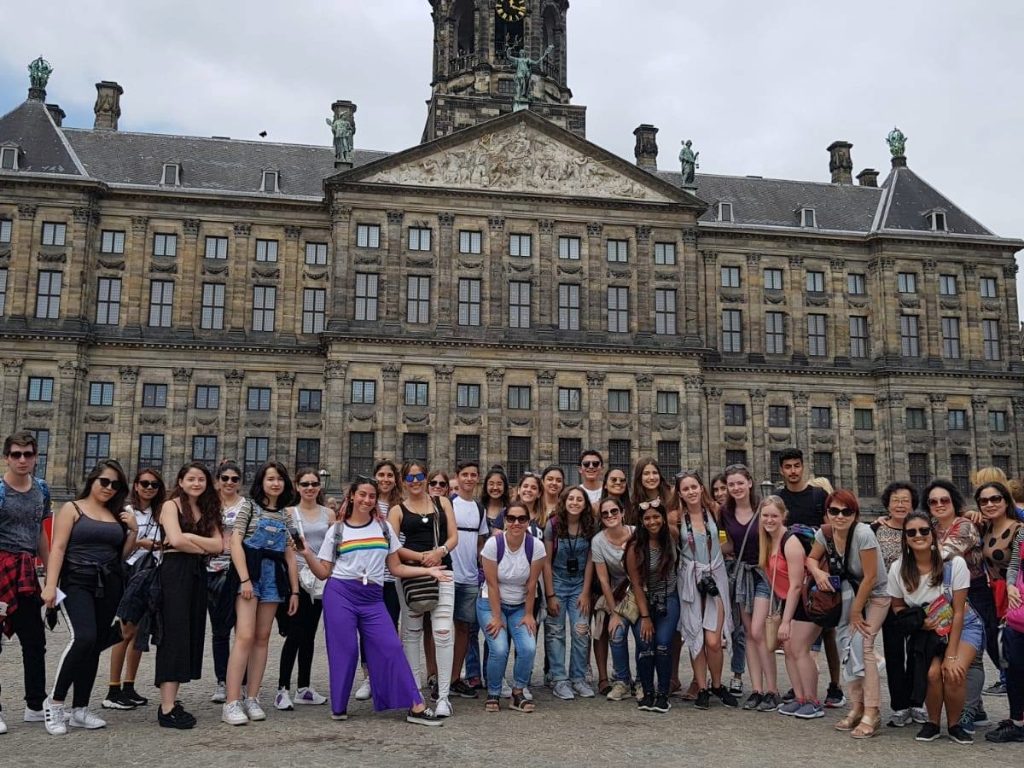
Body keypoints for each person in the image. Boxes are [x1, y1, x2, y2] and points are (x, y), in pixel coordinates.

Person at [299, 476, 445, 725]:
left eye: (372, 496)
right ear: (352, 496)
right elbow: (324, 572)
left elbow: (396, 568)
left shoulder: (384, 528)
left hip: (372, 597)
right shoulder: (338, 530)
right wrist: (306, 553)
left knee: (391, 647)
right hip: (341, 594)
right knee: (346, 651)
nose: (367, 500)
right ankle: (339, 705)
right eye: (362, 494)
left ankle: (416, 706)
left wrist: (428, 570)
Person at [41, 460, 136, 735]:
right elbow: (57, 548)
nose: (108, 487)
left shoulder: (116, 513)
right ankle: (55, 702)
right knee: (83, 637)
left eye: (115, 484)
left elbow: (123, 556)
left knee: (94, 644)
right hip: (77, 582)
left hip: (108, 584)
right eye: (104, 481)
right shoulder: (73, 508)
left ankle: (80, 708)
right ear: (92, 480)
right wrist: (50, 585)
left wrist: (133, 531)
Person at [888, 511, 982, 745]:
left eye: (924, 530)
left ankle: (954, 725)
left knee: (953, 672)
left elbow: (959, 612)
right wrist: (920, 622)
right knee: (931, 674)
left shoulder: (954, 563)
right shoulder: (898, 569)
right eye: (911, 532)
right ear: (905, 538)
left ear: (933, 533)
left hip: (963, 626)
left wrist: (951, 655)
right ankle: (932, 723)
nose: (918, 535)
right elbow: (897, 607)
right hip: (927, 631)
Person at [807, 489, 890, 737]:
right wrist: (818, 573)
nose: (840, 516)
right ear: (827, 513)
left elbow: (871, 576)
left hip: (876, 595)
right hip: (849, 593)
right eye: (834, 511)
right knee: (846, 646)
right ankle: (857, 707)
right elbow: (811, 559)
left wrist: (856, 613)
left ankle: (872, 712)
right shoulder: (826, 533)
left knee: (863, 645)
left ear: (855, 514)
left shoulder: (863, 533)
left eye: (846, 511)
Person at [222, 462, 300, 725]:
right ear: (261, 482)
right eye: (270, 479)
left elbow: (290, 555)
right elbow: (235, 541)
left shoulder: (286, 516)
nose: (275, 483)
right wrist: (244, 578)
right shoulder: (249, 506)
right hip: (250, 573)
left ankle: (252, 697)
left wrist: (295, 591)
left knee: (262, 638)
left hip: (273, 578)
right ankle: (231, 701)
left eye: (279, 478)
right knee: (244, 636)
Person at [155, 462, 223, 728]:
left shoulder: (207, 508)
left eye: (201, 480)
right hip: (174, 573)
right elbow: (175, 539)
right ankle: (167, 707)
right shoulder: (171, 505)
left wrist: (187, 538)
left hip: (196, 573)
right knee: (173, 634)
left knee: (188, 634)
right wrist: (199, 544)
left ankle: (173, 699)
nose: (196, 483)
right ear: (181, 481)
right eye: (191, 479)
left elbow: (219, 545)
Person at [388, 461, 458, 718]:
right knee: (412, 634)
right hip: (413, 576)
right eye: (409, 476)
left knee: (442, 632)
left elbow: (453, 537)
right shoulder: (397, 510)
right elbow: (392, 546)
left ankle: (443, 696)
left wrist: (440, 551)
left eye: (419, 476)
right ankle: (415, 693)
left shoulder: (442, 503)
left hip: (444, 571)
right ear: (403, 480)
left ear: (425, 477)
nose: (415, 480)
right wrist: (422, 559)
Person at [776, 448, 844, 709]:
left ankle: (835, 686)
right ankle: (800, 688)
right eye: (788, 467)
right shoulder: (779, 498)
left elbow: (833, 530)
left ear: (803, 467)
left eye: (796, 465)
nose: (793, 471)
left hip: (819, 573)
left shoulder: (819, 496)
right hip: (792, 575)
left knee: (828, 631)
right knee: (793, 634)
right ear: (781, 470)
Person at [925, 479, 989, 735]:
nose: (939, 505)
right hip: (944, 599)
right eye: (933, 501)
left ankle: (967, 712)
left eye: (944, 500)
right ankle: (975, 707)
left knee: (972, 660)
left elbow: (942, 555)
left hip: (973, 593)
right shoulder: (929, 527)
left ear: (954, 502)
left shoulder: (964, 525)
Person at [0, 431, 52, 734]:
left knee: (35, 642)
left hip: (27, 574)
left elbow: (41, 534)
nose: (22, 459)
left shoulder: (41, 490)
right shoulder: (1, 491)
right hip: (2, 568)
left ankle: (35, 704)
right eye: (16, 454)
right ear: (7, 457)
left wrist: (50, 578)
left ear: (35, 457)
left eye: (28, 454)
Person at [104, 468, 165, 711]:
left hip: (151, 574)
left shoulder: (160, 513)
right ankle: (112, 688)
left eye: (154, 485)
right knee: (124, 631)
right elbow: (121, 552)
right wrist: (139, 539)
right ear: (136, 486)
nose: (149, 488)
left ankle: (129, 685)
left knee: (139, 633)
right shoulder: (126, 512)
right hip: (131, 574)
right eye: (145, 483)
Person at [478, 500, 546, 713]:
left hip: (519, 605)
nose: (516, 523)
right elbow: (491, 583)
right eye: (511, 518)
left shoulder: (535, 545)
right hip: (490, 603)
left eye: (522, 519)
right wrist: (497, 617)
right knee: (499, 648)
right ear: (505, 521)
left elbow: (532, 583)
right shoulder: (493, 544)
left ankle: (518, 691)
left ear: (528, 521)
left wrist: (528, 614)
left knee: (528, 647)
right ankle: (494, 691)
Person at [676, 470, 736, 709]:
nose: (691, 492)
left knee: (713, 640)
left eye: (694, 487)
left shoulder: (716, 512)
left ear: (701, 488)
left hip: (715, 576)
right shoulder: (676, 518)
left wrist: (722, 554)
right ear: (679, 494)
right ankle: (702, 687)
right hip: (690, 579)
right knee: (695, 637)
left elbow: (730, 540)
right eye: (685, 489)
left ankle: (717, 685)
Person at [274, 468, 333, 710]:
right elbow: (286, 549)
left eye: (314, 484)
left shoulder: (329, 513)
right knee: (295, 634)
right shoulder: (288, 513)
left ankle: (304, 687)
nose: (310, 488)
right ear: (297, 487)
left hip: (318, 579)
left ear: (319, 487)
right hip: (295, 578)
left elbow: (333, 545)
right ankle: (282, 689)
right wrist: (294, 587)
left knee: (309, 635)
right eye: (305, 484)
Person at [871, 481, 927, 726]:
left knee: (918, 651)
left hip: (917, 598)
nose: (901, 504)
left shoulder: (921, 529)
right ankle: (899, 705)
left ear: (913, 503)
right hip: (888, 597)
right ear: (888, 505)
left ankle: (917, 702)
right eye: (896, 500)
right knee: (894, 653)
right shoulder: (876, 529)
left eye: (905, 500)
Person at [353, 459, 405, 703]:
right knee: (365, 630)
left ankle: (384, 675)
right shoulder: (365, 503)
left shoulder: (401, 506)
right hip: (368, 578)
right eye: (381, 474)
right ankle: (368, 677)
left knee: (389, 629)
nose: (385, 479)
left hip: (390, 578)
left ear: (396, 479)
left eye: (389, 475)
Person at [720, 464, 770, 710]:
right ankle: (758, 690)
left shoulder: (765, 508)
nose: (736, 488)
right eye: (731, 485)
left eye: (740, 483)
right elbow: (729, 543)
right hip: (743, 576)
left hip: (765, 575)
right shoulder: (725, 513)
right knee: (750, 634)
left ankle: (771, 689)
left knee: (759, 631)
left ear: (750, 482)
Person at [625, 497, 679, 713]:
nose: (652, 521)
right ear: (641, 521)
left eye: (656, 517)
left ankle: (663, 695)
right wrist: (645, 618)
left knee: (664, 644)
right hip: (644, 601)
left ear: (664, 519)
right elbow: (636, 584)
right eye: (647, 518)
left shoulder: (673, 536)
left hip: (669, 598)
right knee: (646, 644)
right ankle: (647, 692)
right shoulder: (634, 547)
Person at [544, 486, 596, 700]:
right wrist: (550, 594)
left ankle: (578, 677)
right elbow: (546, 562)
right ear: (564, 502)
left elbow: (592, 560)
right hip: (556, 582)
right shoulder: (553, 525)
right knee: (555, 633)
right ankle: (558, 678)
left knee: (581, 631)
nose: (575, 502)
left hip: (579, 585)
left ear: (585, 504)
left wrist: (585, 592)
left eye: (579, 499)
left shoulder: (590, 525)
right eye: (571, 499)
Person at [207, 461, 250, 704]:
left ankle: (241, 682)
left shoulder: (247, 506)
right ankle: (222, 681)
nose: (229, 483)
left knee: (243, 632)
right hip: (212, 572)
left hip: (238, 571)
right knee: (219, 631)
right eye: (225, 478)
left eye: (234, 479)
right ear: (218, 480)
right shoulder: (209, 506)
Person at [758, 496, 804, 713]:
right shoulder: (767, 539)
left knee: (796, 649)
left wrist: (786, 621)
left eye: (774, 516)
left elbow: (796, 586)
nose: (769, 520)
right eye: (765, 515)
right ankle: (799, 695)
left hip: (800, 602)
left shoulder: (790, 541)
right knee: (788, 649)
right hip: (787, 600)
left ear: (783, 516)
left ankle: (808, 699)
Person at [976, 482, 1021, 697]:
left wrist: (1012, 587)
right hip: (993, 592)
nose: (990, 504)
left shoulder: (1018, 529)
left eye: (995, 499)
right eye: (984, 501)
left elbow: (1015, 565)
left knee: (1013, 649)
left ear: (1006, 500)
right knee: (996, 643)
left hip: (1013, 593)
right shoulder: (986, 527)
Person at [986, 498, 1024, 742]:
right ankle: (1018, 721)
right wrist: (1010, 586)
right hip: (1018, 612)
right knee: (1014, 669)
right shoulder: (1023, 533)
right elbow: (1014, 566)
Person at [448, 460, 486, 701]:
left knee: (464, 628)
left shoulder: (479, 508)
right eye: (465, 475)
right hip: (448, 575)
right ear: (458, 477)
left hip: (470, 577)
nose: (469, 479)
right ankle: (438, 677)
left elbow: (481, 541)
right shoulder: (447, 505)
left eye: (473, 475)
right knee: (441, 629)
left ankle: (453, 679)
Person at [592, 496, 636, 701]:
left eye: (614, 512)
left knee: (644, 636)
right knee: (616, 632)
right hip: (618, 593)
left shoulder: (637, 534)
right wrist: (614, 613)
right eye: (605, 513)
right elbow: (603, 579)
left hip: (640, 593)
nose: (610, 516)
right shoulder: (598, 541)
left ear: (622, 513)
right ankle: (622, 681)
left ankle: (643, 682)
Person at [713, 470, 745, 696]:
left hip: (738, 570)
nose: (720, 493)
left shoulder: (740, 512)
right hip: (718, 569)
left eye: (723, 488)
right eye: (715, 489)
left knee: (739, 628)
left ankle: (737, 675)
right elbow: (722, 540)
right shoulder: (717, 514)